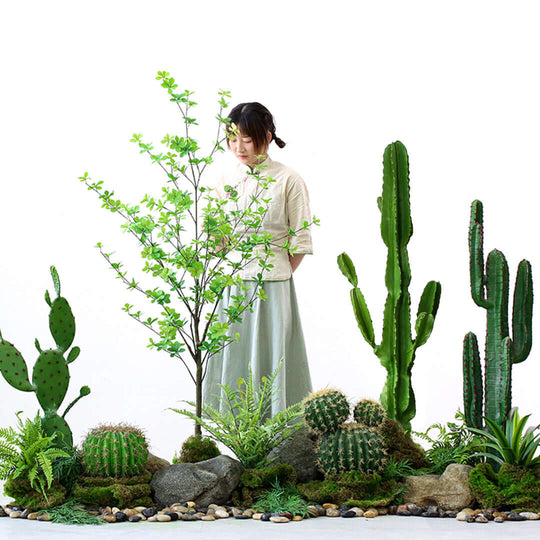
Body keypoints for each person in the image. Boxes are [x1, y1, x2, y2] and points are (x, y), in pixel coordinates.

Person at [202, 102, 313, 417]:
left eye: (247, 140)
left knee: (273, 360)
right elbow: (215, 238)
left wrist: (276, 270)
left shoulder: (289, 180)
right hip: (233, 285)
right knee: (233, 361)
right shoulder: (222, 178)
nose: (238, 147)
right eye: (232, 139)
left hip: (274, 287)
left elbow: (300, 240)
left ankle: (281, 441)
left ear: (265, 136)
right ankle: (234, 442)